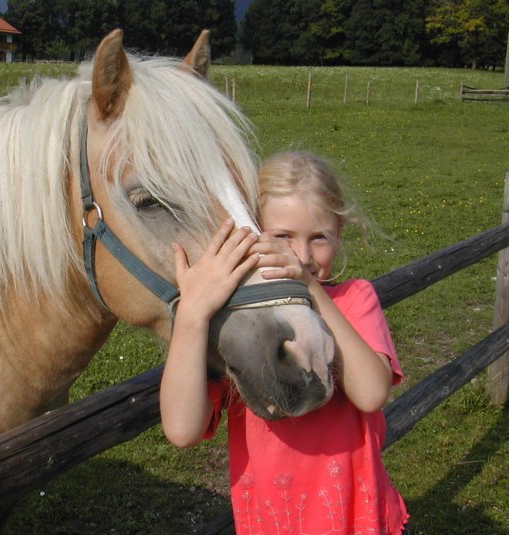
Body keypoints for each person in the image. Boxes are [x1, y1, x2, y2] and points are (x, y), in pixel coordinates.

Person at [160, 151, 409, 534]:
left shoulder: (354, 299)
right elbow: (181, 429)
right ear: (250, 232)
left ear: (339, 236)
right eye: (282, 237)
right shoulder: (243, 328)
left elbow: (371, 393)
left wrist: (311, 289)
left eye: (319, 238)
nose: (303, 256)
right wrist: (193, 314)